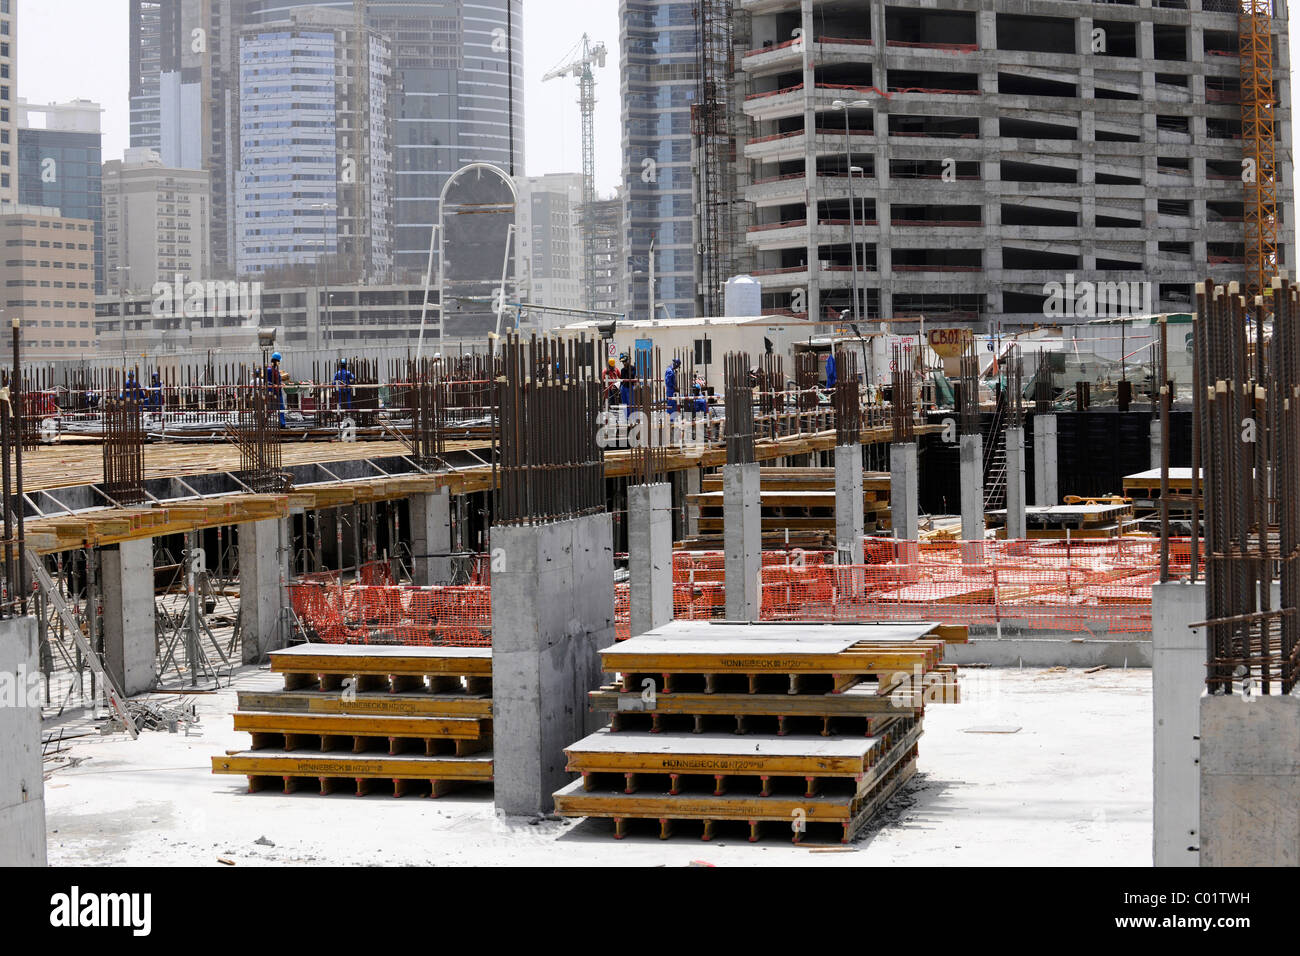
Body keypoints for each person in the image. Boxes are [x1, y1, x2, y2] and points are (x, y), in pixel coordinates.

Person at [266, 352, 286, 426]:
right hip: (273, 392)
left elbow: (277, 380)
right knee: (271, 409)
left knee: (281, 408)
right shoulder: (269, 370)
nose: (279, 363)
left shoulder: (275, 370)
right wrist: (275, 385)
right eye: (279, 361)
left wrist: (280, 384)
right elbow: (267, 382)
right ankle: (263, 422)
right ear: (276, 361)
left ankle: (282, 424)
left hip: (278, 391)